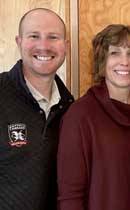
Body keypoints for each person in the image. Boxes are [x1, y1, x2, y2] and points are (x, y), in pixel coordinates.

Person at [57, 24, 130, 210]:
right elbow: (70, 195)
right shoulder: (80, 115)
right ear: (102, 61)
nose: (124, 62)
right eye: (115, 53)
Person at [0, 8, 73, 210]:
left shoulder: (71, 108)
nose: (44, 46)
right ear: (19, 41)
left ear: (66, 46)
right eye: (34, 36)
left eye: (53, 37)